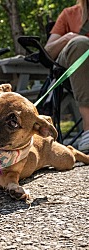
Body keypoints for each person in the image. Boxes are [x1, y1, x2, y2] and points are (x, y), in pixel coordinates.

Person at [44, 0, 89, 152]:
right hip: (71, 70)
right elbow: (48, 53)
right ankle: (88, 128)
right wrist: (67, 37)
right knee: (80, 44)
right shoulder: (69, 14)